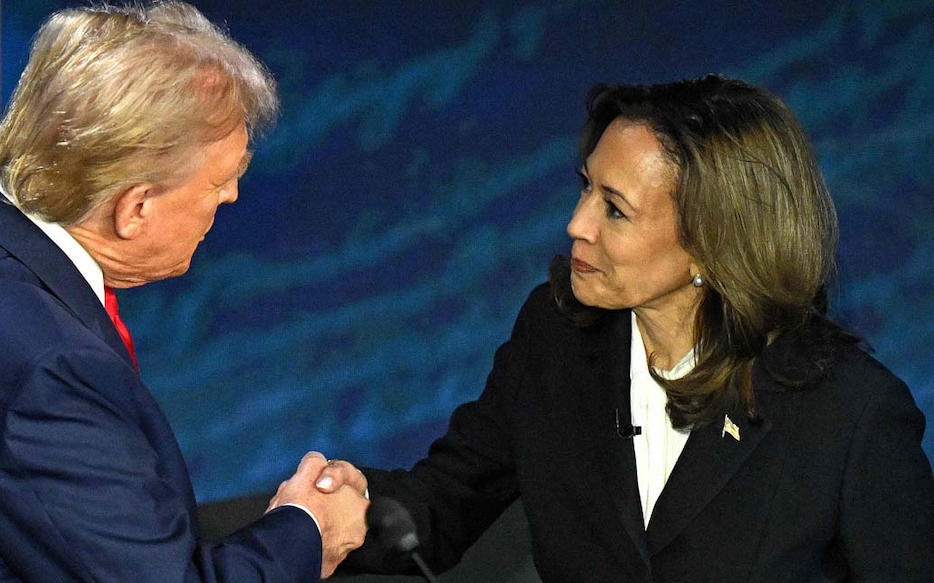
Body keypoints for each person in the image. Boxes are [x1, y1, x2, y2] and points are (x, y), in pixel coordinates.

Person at [0, 2, 368, 581]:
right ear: (135, 207)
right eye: (221, 181)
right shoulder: (52, 371)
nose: (229, 199)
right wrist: (307, 531)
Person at [330, 75, 934, 581]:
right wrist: (335, 514)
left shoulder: (852, 414)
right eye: (586, 188)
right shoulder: (556, 336)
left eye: (614, 208)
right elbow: (444, 502)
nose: (576, 224)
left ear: (711, 241)